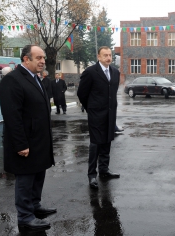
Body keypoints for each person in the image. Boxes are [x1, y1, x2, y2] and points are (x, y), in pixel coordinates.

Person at [0, 45, 56, 230]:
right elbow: (12, 116)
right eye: (38, 58)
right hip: (26, 141)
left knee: (38, 174)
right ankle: (25, 216)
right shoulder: (12, 80)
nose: (42, 61)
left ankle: (35, 206)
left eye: (43, 58)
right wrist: (21, 144)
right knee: (25, 179)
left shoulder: (35, 78)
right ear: (25, 59)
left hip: (39, 139)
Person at [77, 46, 120, 189]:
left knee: (107, 140)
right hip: (96, 114)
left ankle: (104, 170)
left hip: (110, 113)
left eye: (110, 55)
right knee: (95, 144)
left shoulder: (115, 72)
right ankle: (92, 175)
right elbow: (82, 93)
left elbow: (112, 93)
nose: (108, 57)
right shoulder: (90, 72)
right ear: (99, 57)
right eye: (105, 55)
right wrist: (91, 108)